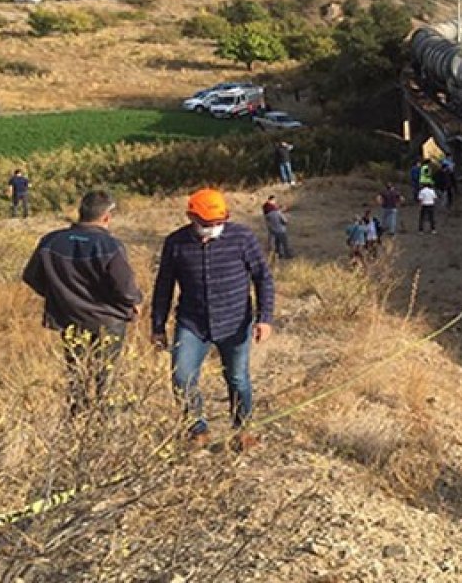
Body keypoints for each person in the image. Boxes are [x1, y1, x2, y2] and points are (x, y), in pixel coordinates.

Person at [151, 188, 274, 450]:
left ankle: (243, 429)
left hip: (235, 321)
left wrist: (265, 318)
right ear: (191, 217)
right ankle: (197, 430)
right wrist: (158, 326)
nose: (213, 228)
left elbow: (263, 277)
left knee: (238, 378)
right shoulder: (175, 243)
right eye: (207, 224)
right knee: (182, 377)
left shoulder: (242, 238)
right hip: (192, 323)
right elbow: (164, 285)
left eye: (218, 223)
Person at [22, 191, 142, 416]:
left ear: (80, 212)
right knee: (105, 378)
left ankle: (77, 421)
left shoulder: (50, 241)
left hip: (68, 317)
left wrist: (58, 295)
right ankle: (104, 427)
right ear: (107, 217)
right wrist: (136, 301)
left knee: (75, 375)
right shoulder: (110, 245)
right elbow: (125, 288)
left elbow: (31, 277)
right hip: (108, 320)